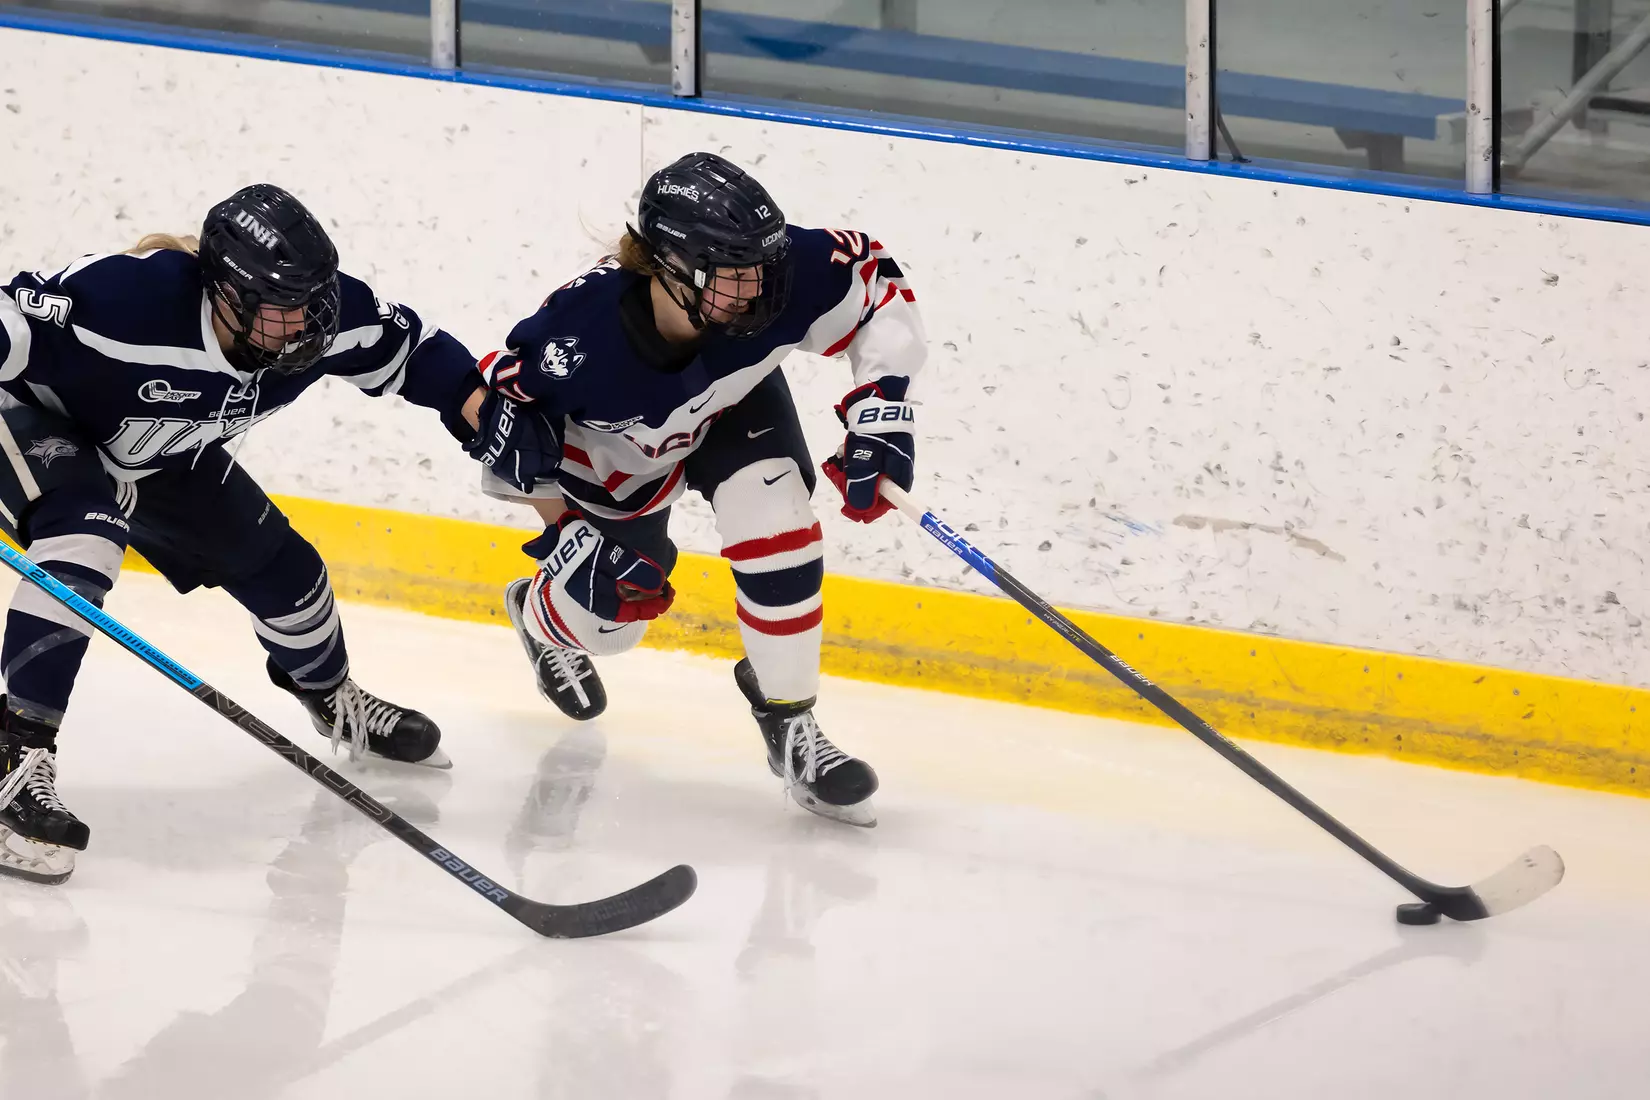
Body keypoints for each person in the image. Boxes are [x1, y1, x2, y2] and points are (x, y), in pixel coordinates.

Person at [0, 183, 494, 883]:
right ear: (226, 295)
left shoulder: (317, 318)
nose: (308, 325)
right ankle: (17, 762)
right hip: (36, 423)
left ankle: (329, 696)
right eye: (286, 308)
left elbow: (411, 349)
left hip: (158, 448)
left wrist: (479, 406)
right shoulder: (125, 301)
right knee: (87, 533)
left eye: (314, 301)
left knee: (288, 573)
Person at [477, 151, 926, 827]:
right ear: (668, 268)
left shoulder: (776, 275)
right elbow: (508, 436)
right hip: (616, 466)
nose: (760, 289)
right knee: (609, 626)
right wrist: (569, 537)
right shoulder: (574, 338)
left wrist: (883, 407)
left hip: (731, 411)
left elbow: (874, 287)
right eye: (734, 274)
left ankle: (791, 723)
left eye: (763, 266)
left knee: (779, 523)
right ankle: (539, 614)